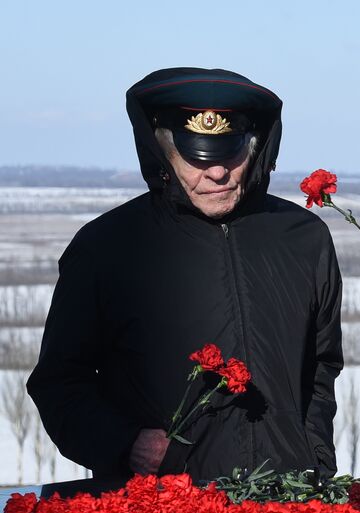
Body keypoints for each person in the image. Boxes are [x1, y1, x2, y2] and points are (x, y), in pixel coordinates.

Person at [27, 68, 342, 484]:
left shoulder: (305, 238)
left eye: (231, 154)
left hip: (282, 504)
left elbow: (321, 370)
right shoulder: (106, 246)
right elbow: (60, 383)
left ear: (256, 146)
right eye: (197, 158)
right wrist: (125, 443)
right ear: (163, 153)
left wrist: (316, 462)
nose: (216, 173)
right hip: (157, 512)